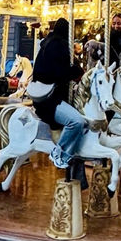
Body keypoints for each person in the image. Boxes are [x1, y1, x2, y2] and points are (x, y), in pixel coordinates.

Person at [31, 17, 86, 169]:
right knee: (77, 121)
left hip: (47, 97)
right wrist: (76, 71)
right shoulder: (57, 46)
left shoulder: (48, 45)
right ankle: (60, 153)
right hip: (50, 101)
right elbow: (59, 72)